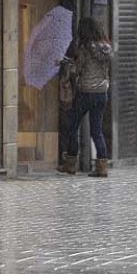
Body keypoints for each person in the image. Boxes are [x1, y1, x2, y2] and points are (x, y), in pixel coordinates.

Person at [58, 18, 113, 177]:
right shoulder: (106, 48)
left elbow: (77, 70)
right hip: (102, 93)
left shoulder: (85, 48)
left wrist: (67, 64)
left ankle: (70, 164)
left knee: (73, 126)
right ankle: (102, 167)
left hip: (86, 92)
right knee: (97, 131)